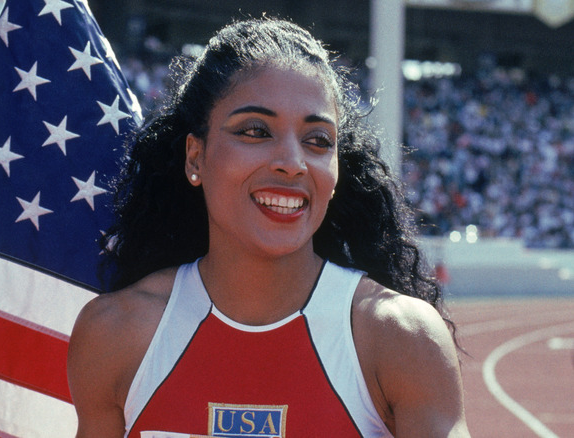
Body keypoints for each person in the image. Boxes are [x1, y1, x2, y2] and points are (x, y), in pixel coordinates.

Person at [68, 18, 470, 437]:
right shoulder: (114, 334)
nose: (292, 162)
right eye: (255, 131)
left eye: (318, 140)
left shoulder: (400, 337)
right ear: (195, 158)